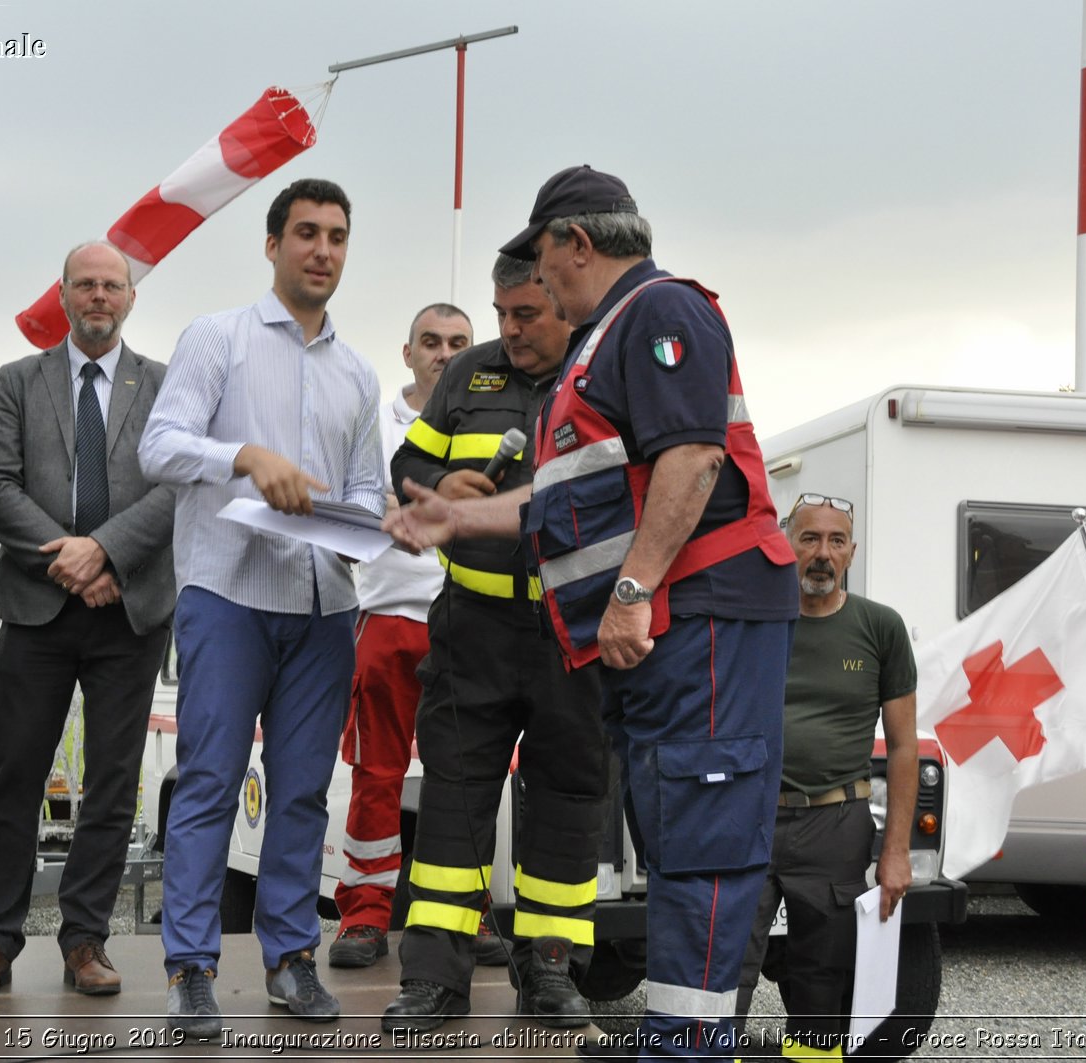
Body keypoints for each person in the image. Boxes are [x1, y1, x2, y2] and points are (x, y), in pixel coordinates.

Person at [385, 165, 799, 1061]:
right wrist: (455, 515)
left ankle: (687, 1044)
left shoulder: (660, 312)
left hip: (701, 618)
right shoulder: (601, 339)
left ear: (577, 242)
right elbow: (559, 497)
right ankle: (677, 1031)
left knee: (704, 840)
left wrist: (630, 590)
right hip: (658, 633)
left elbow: (692, 461)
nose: (541, 282)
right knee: (675, 835)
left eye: (545, 260)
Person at [140, 177, 386, 1038]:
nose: (324, 250)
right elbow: (159, 446)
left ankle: (290, 960)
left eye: (338, 237)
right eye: (308, 233)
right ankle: (192, 970)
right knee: (208, 782)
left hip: (324, 604)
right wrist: (245, 455)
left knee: (305, 793)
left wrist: (384, 520)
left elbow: (364, 489)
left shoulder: (360, 371)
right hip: (229, 593)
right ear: (274, 244)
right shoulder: (218, 338)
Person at [381, 255, 610, 1032]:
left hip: (572, 633)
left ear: (563, 304)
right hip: (472, 627)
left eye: (524, 315)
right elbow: (410, 457)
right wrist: (438, 485)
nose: (507, 331)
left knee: (570, 800)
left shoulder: (604, 369)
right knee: (451, 798)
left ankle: (549, 969)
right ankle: (435, 979)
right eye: (500, 313)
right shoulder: (470, 375)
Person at [0, 241, 175, 999]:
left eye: (113, 285)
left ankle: (85, 939)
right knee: (13, 775)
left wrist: (107, 556)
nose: (100, 297)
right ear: (64, 295)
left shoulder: (166, 385)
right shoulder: (18, 381)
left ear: (130, 298)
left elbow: (177, 489)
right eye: (86, 284)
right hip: (38, 607)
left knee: (112, 785)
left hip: (131, 611)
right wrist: (70, 561)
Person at [734, 493, 917, 1061]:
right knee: (727, 970)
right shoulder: (756, 617)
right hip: (749, 816)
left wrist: (896, 851)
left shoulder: (880, 628)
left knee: (822, 982)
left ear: (852, 553)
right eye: (809, 538)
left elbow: (906, 746)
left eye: (836, 541)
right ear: (786, 545)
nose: (822, 553)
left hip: (836, 823)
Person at [328, 302, 472, 969]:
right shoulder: (376, 427)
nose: (445, 353)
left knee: (469, 776)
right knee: (377, 775)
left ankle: (464, 917)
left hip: (472, 620)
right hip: (389, 617)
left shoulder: (489, 422)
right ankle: (363, 914)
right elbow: (349, 503)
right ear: (408, 351)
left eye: (460, 343)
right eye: (432, 342)